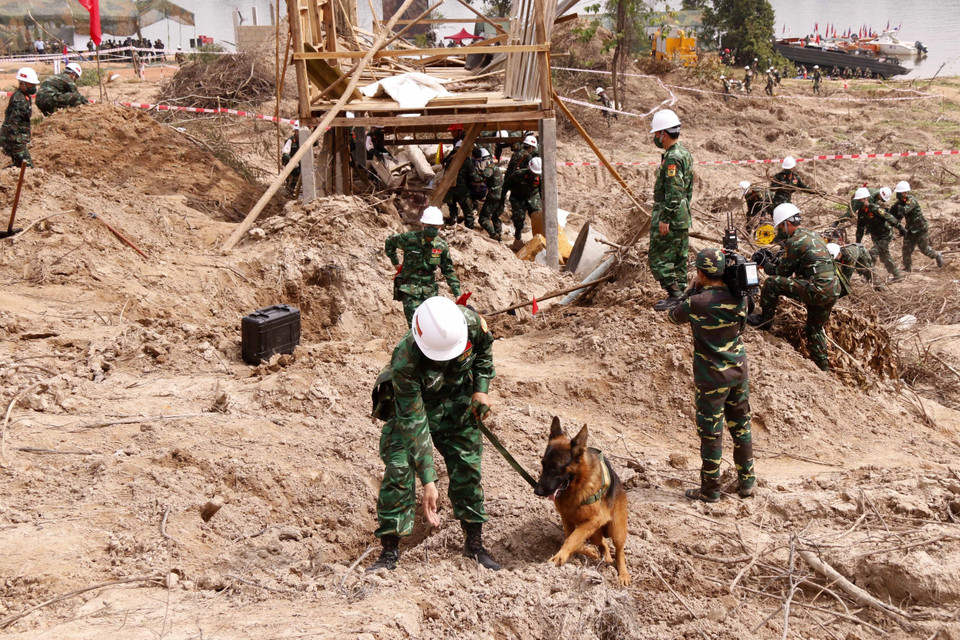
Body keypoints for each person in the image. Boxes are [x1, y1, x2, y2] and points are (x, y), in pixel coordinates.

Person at [368, 296, 499, 572]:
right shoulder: (405, 359)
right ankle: (389, 552)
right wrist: (428, 480)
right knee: (399, 469)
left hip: (457, 405)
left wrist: (481, 389)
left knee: (468, 468)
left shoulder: (471, 324)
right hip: (415, 409)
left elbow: (484, 353)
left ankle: (474, 544)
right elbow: (414, 422)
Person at [668, 248, 755, 503]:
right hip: (738, 372)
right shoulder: (741, 298)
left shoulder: (697, 302)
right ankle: (747, 481)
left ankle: (710, 490)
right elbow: (743, 324)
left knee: (711, 434)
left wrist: (690, 291)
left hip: (711, 378)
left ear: (700, 273)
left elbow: (673, 317)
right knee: (741, 428)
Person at [747, 203, 841, 371]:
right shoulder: (813, 235)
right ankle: (822, 368)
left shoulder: (795, 241)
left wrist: (765, 264)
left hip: (817, 290)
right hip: (832, 289)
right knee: (814, 329)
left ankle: (765, 321)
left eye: (780, 227)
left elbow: (781, 274)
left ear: (787, 224)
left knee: (771, 283)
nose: (779, 231)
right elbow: (801, 264)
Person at [384, 207, 462, 324]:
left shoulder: (441, 246)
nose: (432, 228)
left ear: (440, 227)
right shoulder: (410, 239)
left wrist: (457, 293)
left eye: (435, 226)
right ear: (423, 224)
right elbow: (390, 241)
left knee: (430, 324)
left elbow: (448, 270)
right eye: (429, 225)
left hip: (430, 291)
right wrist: (395, 262)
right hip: (410, 288)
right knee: (414, 324)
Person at [649, 109, 694, 311]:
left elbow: (675, 191)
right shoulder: (684, 153)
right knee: (679, 257)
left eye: (657, 133)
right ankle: (681, 295)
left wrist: (665, 217)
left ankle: (675, 295)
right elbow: (687, 190)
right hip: (682, 215)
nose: (656, 138)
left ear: (664, 134)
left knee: (658, 257)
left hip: (671, 215)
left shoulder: (672, 158)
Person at [888, 181, 944, 270]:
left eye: (900, 193)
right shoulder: (899, 203)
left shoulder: (911, 200)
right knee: (906, 249)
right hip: (910, 229)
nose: (898, 195)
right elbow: (891, 214)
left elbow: (905, 210)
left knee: (924, 249)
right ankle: (907, 267)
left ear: (905, 193)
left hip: (921, 228)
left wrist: (899, 210)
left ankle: (937, 255)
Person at [852, 186, 905, 279]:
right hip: (875, 236)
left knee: (871, 254)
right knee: (884, 256)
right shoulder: (861, 213)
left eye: (861, 200)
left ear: (866, 199)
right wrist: (858, 243)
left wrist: (901, 228)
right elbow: (860, 229)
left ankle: (873, 278)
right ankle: (897, 275)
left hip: (886, 235)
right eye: (858, 200)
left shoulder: (875, 208)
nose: (859, 202)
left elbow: (889, 217)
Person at [2, 68, 40, 168]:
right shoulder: (19, 100)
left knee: (19, 166)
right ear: (22, 83)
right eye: (31, 84)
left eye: (34, 84)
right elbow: (13, 123)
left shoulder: (25, 96)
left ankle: (7, 174)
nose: (33, 87)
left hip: (16, 138)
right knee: (27, 167)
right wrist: (14, 143)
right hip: (15, 139)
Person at [508, 156, 543, 250]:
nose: (534, 175)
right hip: (518, 198)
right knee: (519, 218)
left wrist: (543, 202)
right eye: (533, 172)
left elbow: (542, 191)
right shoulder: (518, 174)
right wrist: (502, 197)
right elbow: (507, 184)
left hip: (532, 197)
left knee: (538, 217)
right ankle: (517, 239)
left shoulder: (540, 177)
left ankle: (540, 240)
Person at [478, 150, 505, 241]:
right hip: (501, 195)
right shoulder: (494, 166)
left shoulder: (490, 166)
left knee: (483, 218)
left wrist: (480, 169)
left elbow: (486, 174)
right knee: (495, 217)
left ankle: (493, 235)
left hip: (494, 195)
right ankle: (499, 236)